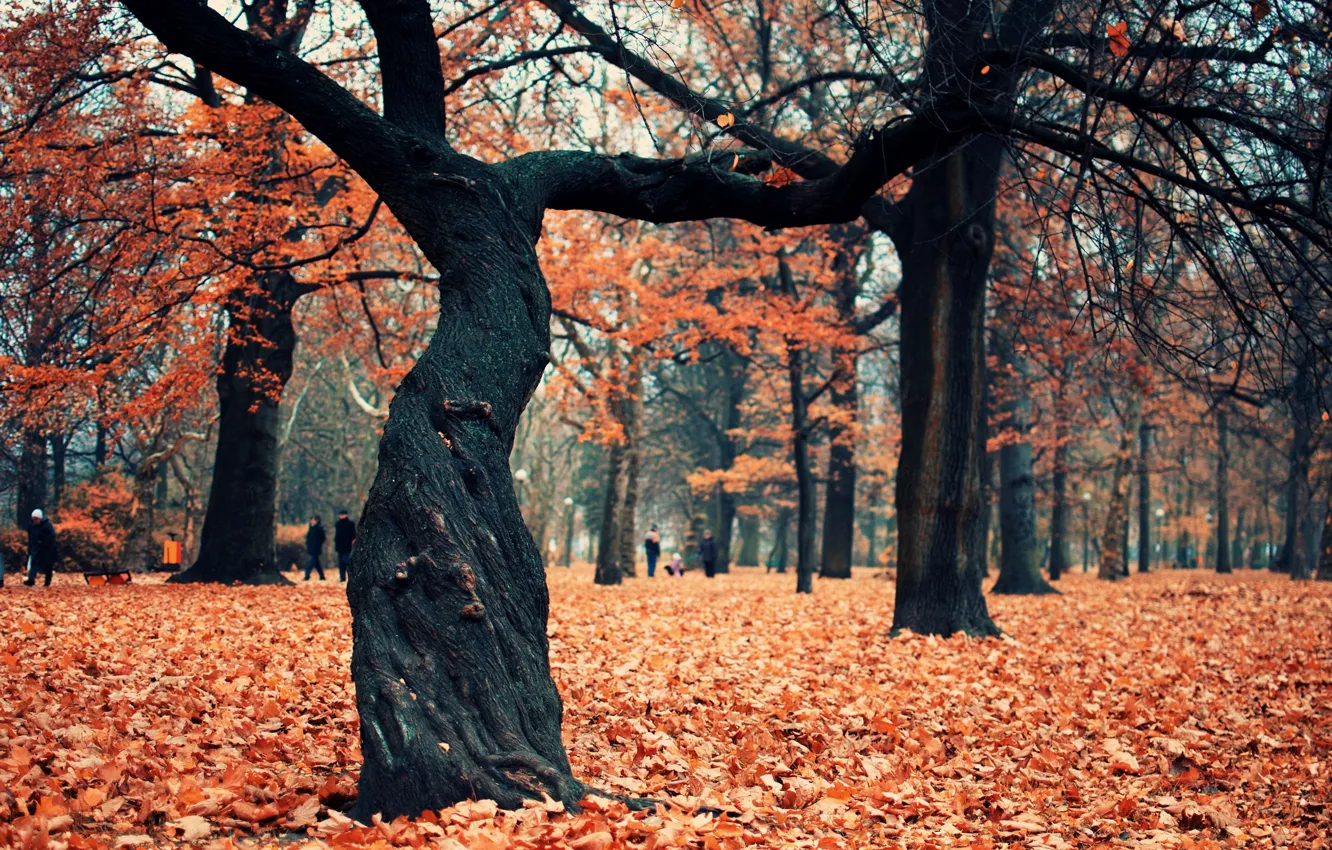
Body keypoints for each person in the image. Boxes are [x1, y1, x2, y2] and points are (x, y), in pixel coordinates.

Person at [25, 509, 59, 587]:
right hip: (36, 548)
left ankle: (47, 581)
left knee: (47, 565)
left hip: (47, 549)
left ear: (40, 518)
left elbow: (52, 537)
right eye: (34, 519)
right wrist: (30, 548)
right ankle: (31, 580)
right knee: (34, 563)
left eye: (36, 519)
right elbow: (30, 538)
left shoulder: (47, 525)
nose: (35, 521)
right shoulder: (31, 526)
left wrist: (43, 542)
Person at [334, 509, 356, 582]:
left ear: (346, 515)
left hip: (348, 546)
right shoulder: (337, 524)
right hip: (339, 546)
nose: (341, 516)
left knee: (345, 561)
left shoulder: (351, 524)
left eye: (343, 514)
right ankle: (342, 578)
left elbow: (353, 535)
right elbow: (337, 535)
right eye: (340, 515)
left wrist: (352, 543)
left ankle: (351, 576)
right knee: (341, 563)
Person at [304, 515, 327, 581]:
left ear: (316, 520)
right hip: (311, 548)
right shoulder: (311, 528)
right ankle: (322, 576)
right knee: (316, 563)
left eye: (313, 519)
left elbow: (323, 538)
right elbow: (308, 538)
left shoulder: (319, 528)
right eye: (311, 519)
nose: (311, 521)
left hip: (316, 549)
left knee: (311, 562)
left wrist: (317, 544)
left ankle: (307, 575)